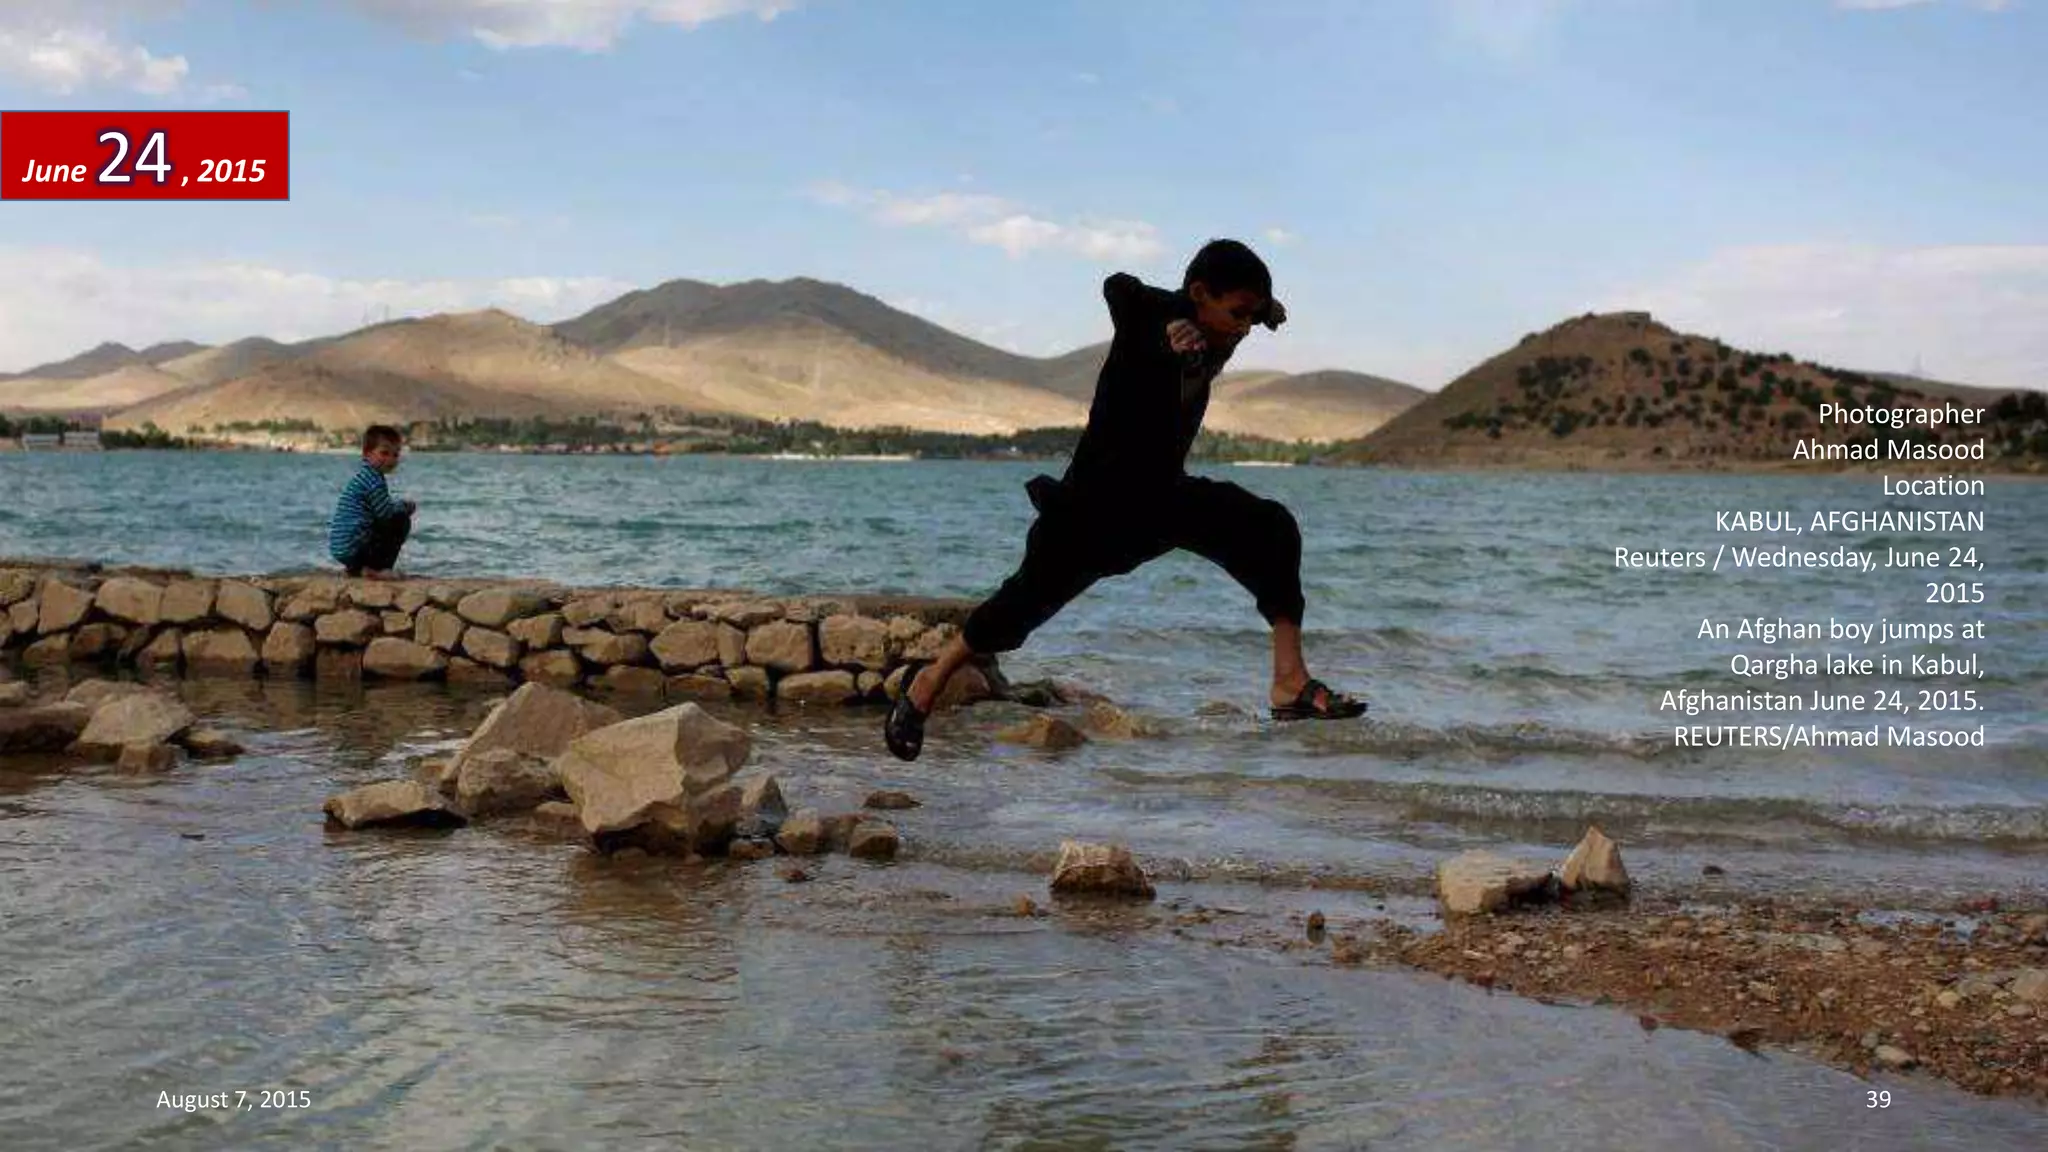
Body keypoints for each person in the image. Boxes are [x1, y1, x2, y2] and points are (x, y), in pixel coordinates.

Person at [885, 239, 1367, 761]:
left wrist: (1265, 311)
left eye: (1254, 316)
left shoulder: (1223, 327)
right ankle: (928, 683)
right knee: (1018, 609)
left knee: (1270, 528)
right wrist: (1167, 324)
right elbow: (1118, 287)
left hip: (1161, 499)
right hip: (1094, 508)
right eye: (1238, 314)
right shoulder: (1153, 321)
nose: (1245, 327)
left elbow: (1248, 314)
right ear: (1199, 294)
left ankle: (1289, 685)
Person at [328, 424, 416, 579]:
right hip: (353, 547)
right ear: (367, 454)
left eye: (395, 455)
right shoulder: (373, 480)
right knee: (401, 521)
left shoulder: (364, 476)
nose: (390, 459)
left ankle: (357, 569)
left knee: (380, 522)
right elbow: (385, 513)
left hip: (342, 549)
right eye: (384, 453)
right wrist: (404, 506)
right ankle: (378, 570)